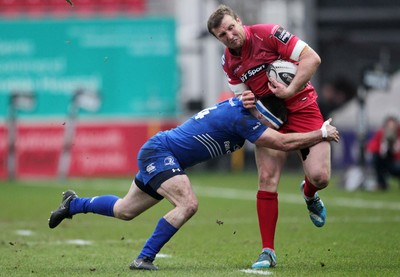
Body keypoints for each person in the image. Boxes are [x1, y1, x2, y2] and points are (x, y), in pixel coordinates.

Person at [48, 95, 339, 271]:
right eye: (269, 123)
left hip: (161, 151)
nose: (267, 129)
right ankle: (144, 258)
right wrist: (320, 134)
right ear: (262, 116)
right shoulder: (245, 120)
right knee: (188, 204)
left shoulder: (241, 106)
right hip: (161, 153)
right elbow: (283, 142)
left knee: (125, 210)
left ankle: (73, 204)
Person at [207, 4, 333, 268]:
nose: (229, 35)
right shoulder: (227, 61)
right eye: (222, 34)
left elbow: (313, 59)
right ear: (218, 38)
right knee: (266, 178)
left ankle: (309, 193)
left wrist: (289, 90)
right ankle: (267, 251)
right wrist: (246, 99)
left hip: (302, 106)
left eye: (231, 28)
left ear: (239, 21)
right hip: (270, 118)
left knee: (320, 177)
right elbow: (240, 95)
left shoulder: (269, 33)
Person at [366, 115, 400, 190]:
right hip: (386, 161)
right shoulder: (381, 133)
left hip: (396, 161)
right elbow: (372, 147)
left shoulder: (398, 134)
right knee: (377, 158)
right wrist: (383, 147)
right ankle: (381, 184)